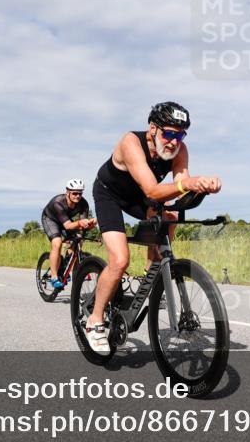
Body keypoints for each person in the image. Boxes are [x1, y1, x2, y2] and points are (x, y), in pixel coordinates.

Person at [86, 101, 221, 353]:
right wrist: (189, 184)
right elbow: (152, 189)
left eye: (179, 135)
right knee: (119, 260)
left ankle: (151, 271)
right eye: (169, 133)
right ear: (152, 129)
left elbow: (180, 187)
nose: (173, 141)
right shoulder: (131, 143)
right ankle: (95, 320)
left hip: (141, 197)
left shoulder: (179, 151)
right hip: (111, 195)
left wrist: (203, 188)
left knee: (169, 216)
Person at [41, 179, 96, 291]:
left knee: (78, 240)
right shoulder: (58, 202)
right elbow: (68, 226)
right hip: (51, 219)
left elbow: (82, 224)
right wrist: (80, 223)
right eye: (74, 193)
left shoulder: (83, 204)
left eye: (80, 193)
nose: (77, 196)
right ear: (67, 192)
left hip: (66, 221)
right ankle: (54, 276)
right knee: (57, 243)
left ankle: (65, 266)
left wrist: (91, 224)